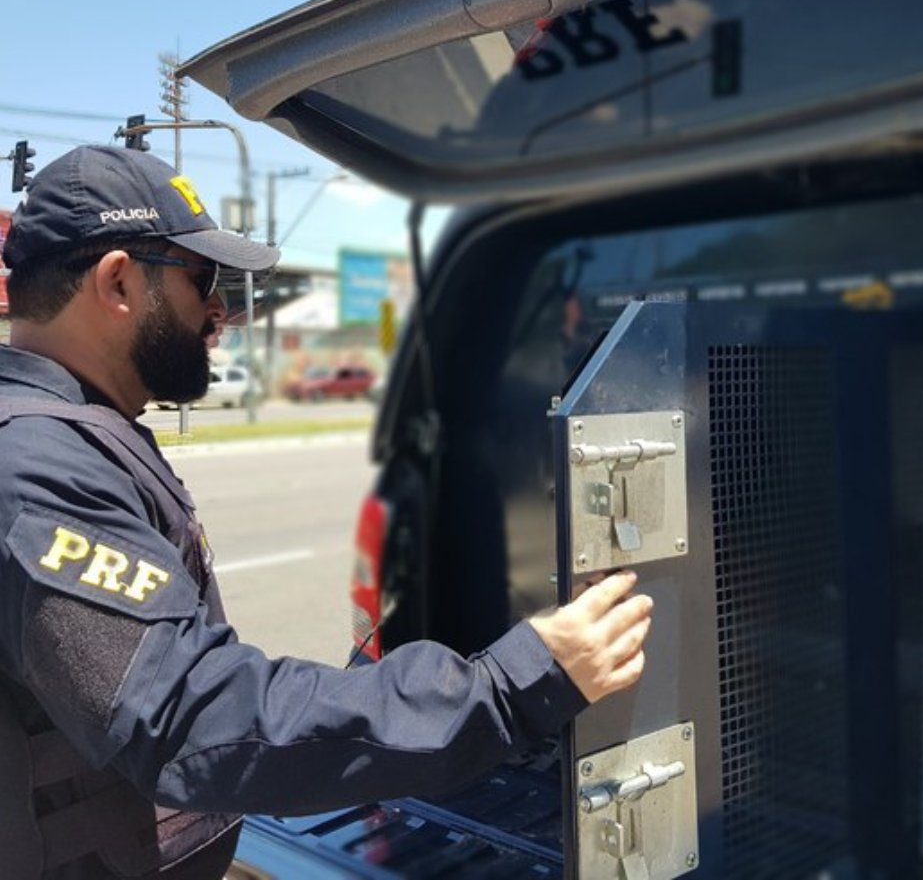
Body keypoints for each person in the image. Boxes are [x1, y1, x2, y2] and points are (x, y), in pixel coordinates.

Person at [0, 146, 653, 879]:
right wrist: (511, 685)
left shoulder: (70, 432)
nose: (222, 309)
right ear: (118, 280)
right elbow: (196, 720)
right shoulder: (35, 465)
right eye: (201, 279)